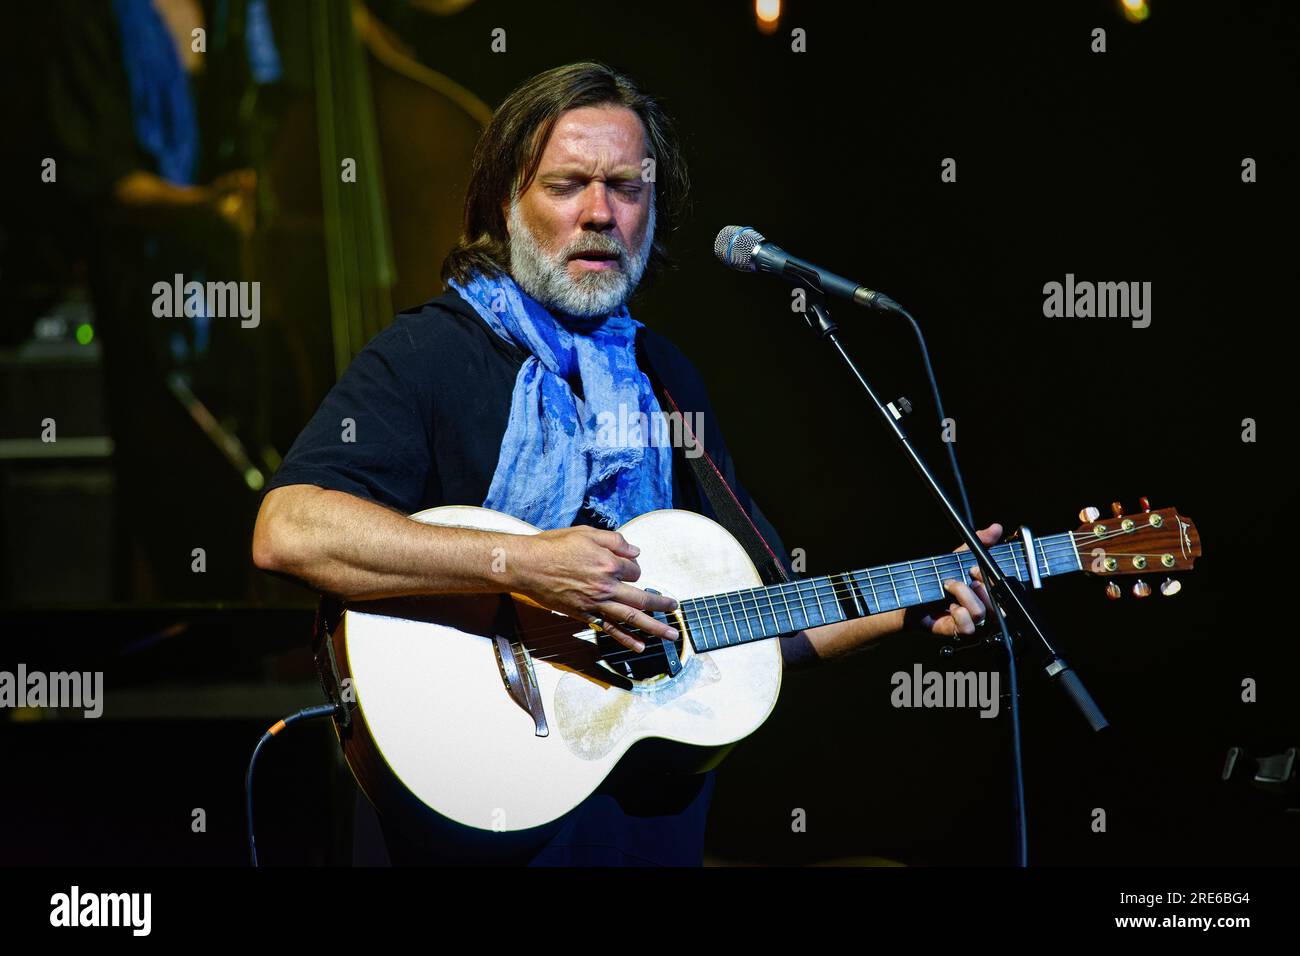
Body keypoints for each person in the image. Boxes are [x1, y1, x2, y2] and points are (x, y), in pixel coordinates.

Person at [251, 61, 1000, 866]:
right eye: (566, 185)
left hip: (639, 822)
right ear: (505, 203)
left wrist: (915, 603)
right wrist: (523, 564)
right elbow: (288, 530)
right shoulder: (433, 353)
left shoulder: (666, 378)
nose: (600, 213)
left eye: (627, 187)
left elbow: (754, 618)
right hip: (459, 806)